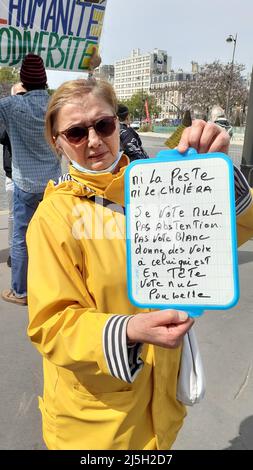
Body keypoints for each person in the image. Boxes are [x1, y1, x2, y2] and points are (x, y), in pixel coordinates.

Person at [26, 78, 253, 450]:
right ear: (58, 141)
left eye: (103, 125)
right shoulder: (54, 217)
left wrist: (214, 173)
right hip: (96, 427)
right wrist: (129, 329)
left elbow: (235, 232)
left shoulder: (159, 185)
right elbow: (51, 325)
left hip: (160, 404)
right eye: (77, 132)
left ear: (119, 123)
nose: (94, 140)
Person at [0, 54, 62, 306]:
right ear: (45, 80)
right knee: (52, 235)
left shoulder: (9, 106)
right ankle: (55, 287)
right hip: (53, 183)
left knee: (21, 238)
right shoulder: (56, 105)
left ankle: (20, 291)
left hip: (24, 183)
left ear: (23, 80)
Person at [0, 83, 27, 268]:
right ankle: (14, 253)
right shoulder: (8, 117)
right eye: (17, 95)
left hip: (31, 177)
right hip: (12, 176)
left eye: (24, 94)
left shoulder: (34, 116)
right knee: (13, 217)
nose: (21, 98)